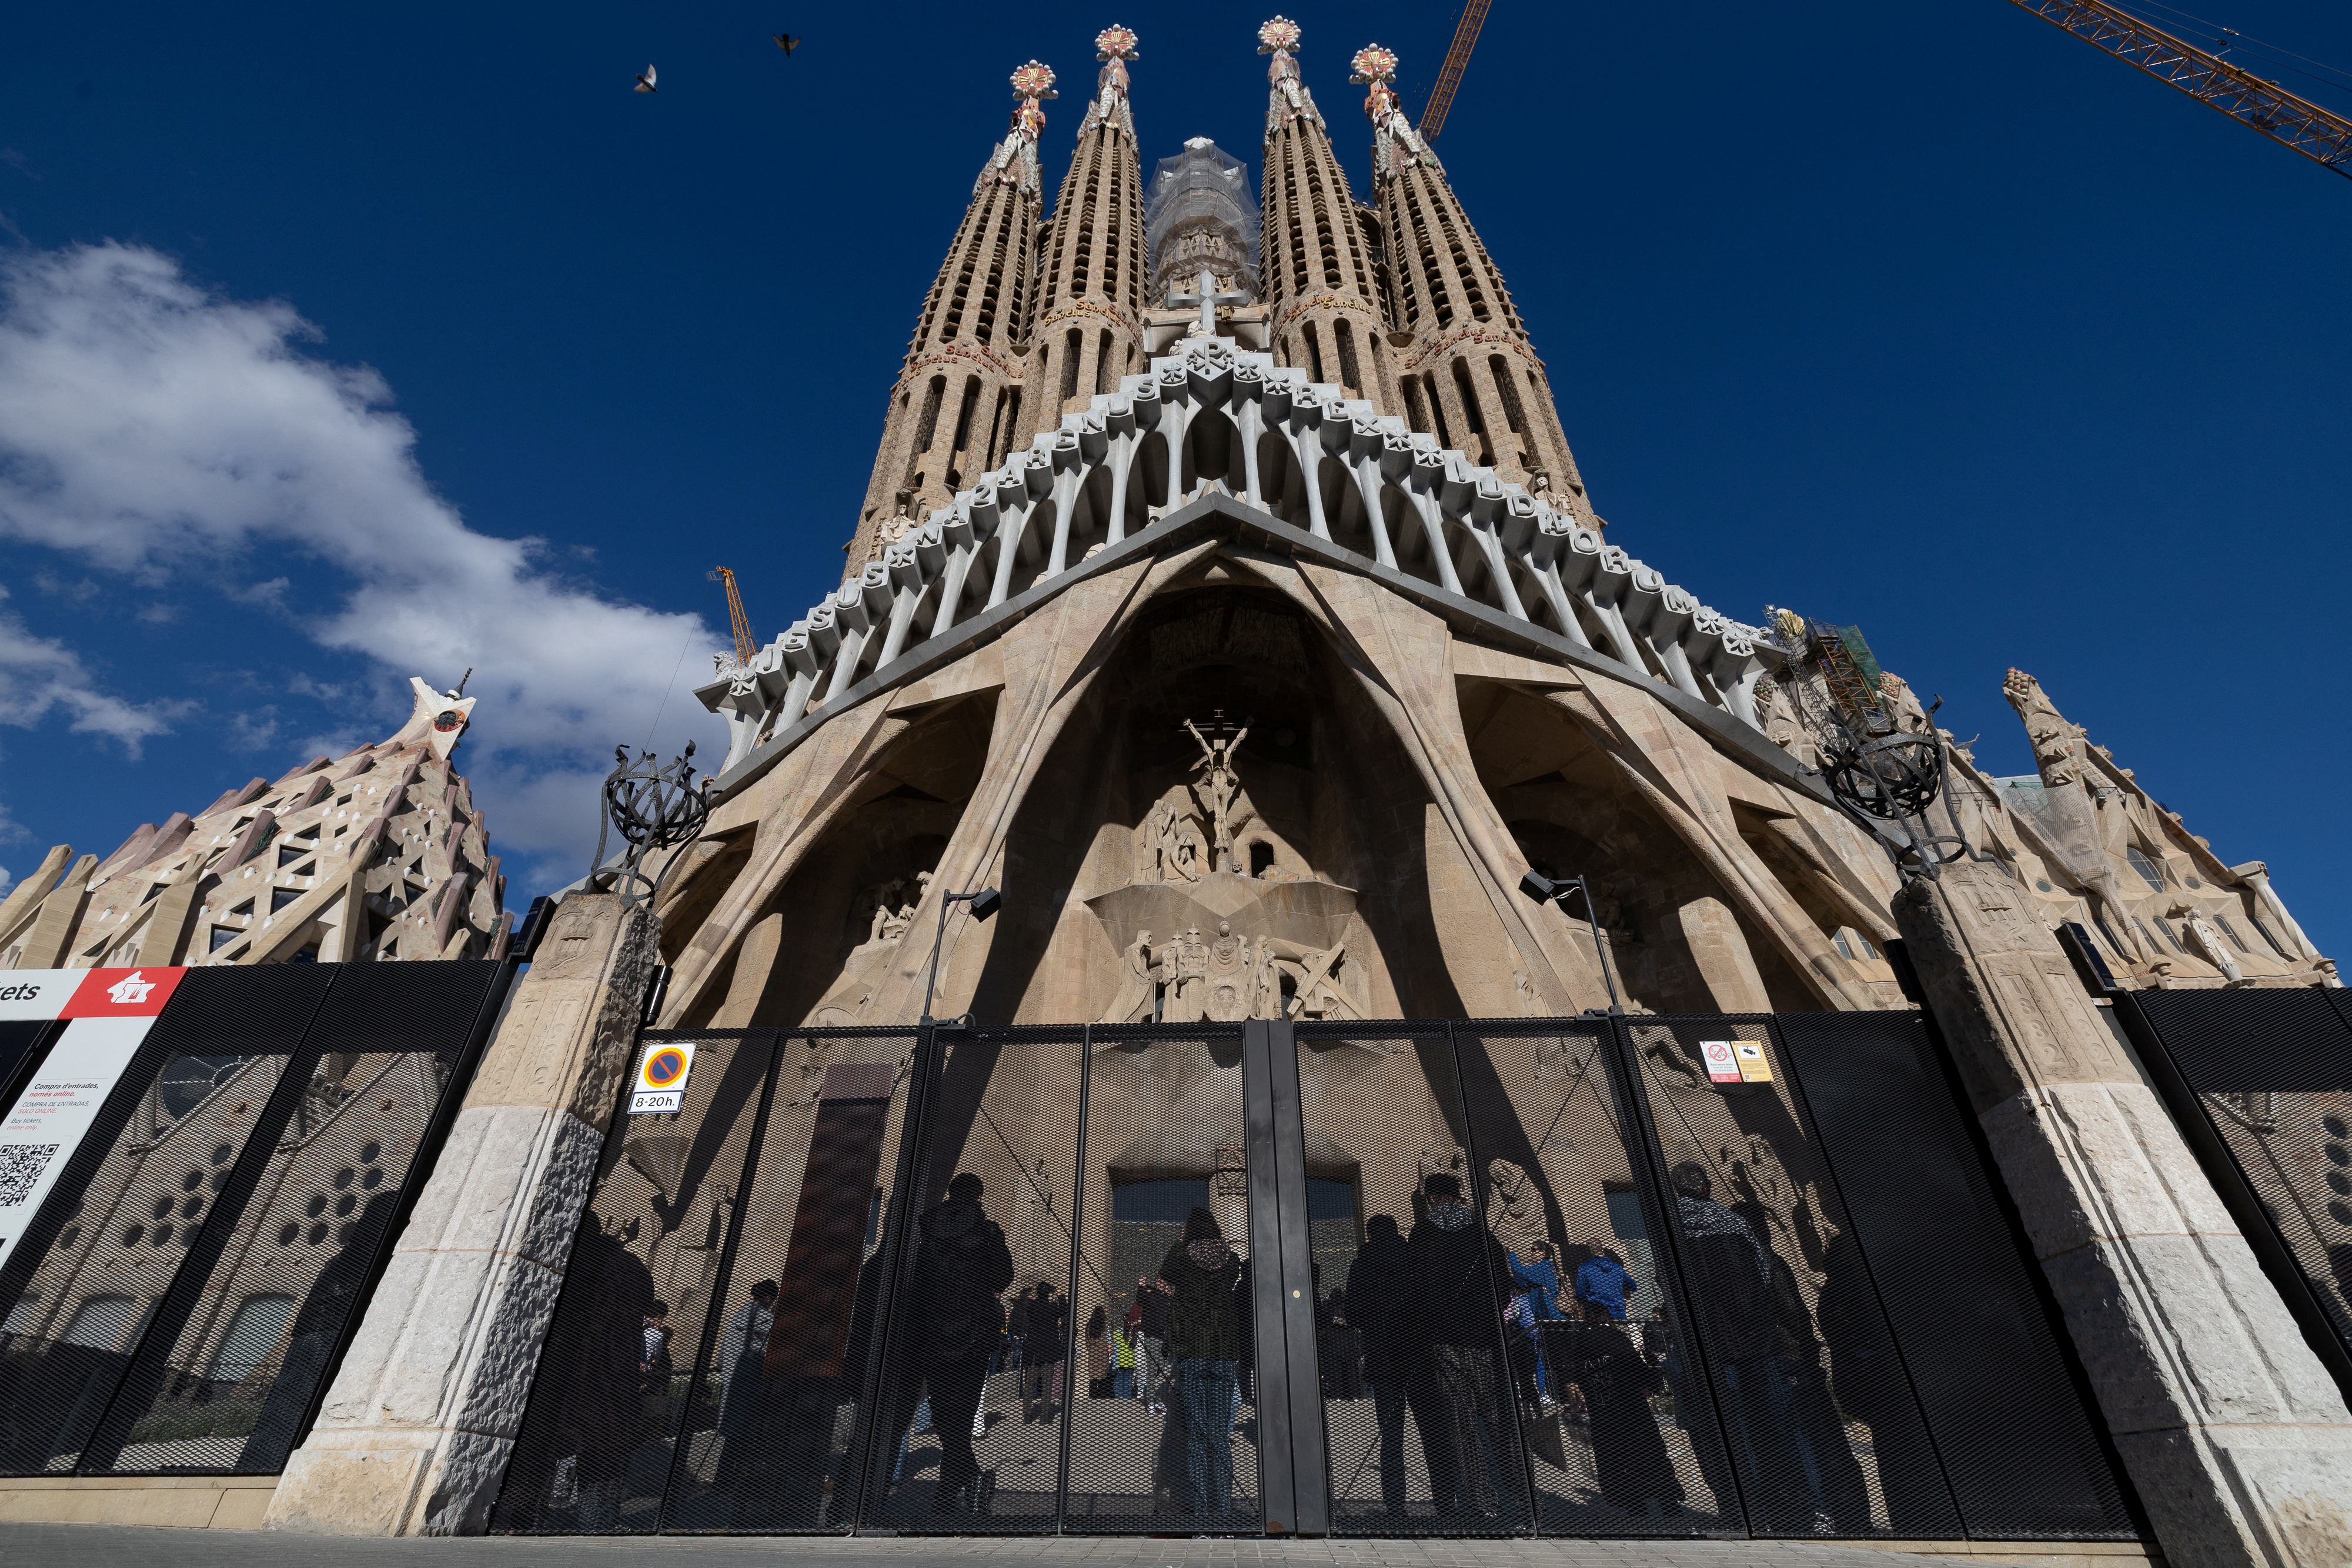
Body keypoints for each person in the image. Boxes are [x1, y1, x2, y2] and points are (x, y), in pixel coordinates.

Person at [1669, 1161, 1816, 1533]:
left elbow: (1668, 1287)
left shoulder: (1672, 1232)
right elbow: (1763, 1273)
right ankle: (1802, 1510)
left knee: (1731, 1429)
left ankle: (1748, 1514)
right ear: (1704, 1188)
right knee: (1779, 1424)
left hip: (1713, 1349)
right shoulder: (1735, 1224)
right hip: (1759, 1340)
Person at [903, 1172, 1014, 1512]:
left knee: (944, 1410)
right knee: (963, 1415)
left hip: (933, 1330)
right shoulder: (988, 1233)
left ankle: (960, 1484)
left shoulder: (927, 1234)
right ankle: (953, 1491)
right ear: (979, 1197)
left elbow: (917, 1283)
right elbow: (1003, 1277)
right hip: (973, 1331)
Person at [1411, 1172, 1518, 1520]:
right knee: (1500, 1422)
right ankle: (1524, 1500)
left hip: (1444, 1341)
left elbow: (1414, 1287)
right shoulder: (1483, 1235)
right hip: (1484, 1341)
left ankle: (1483, 1504)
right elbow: (1504, 1285)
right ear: (1459, 1197)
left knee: (1463, 1427)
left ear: (1430, 1200)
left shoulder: (1422, 1235)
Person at [1348, 1212, 1443, 1516]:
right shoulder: (1413, 1259)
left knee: (1391, 1434)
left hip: (1383, 1356)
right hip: (1418, 1356)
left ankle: (1395, 1505)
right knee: (1433, 1431)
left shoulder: (1362, 1264)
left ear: (1370, 1234)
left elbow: (1351, 1312)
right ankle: (1445, 1502)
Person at [1158, 1206, 1244, 1518]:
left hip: (1192, 1349)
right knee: (1220, 1435)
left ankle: (1201, 1514)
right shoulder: (1230, 1259)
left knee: (1197, 1434)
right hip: (1223, 1351)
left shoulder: (1181, 1255)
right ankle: (1222, 1510)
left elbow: (1163, 1279)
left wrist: (1182, 1243)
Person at [1569, 1296, 1683, 1516]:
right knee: (1649, 1452)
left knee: (1617, 1455)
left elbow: (1578, 1374)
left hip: (1604, 1409)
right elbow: (1635, 1366)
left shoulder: (1583, 1338)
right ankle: (1668, 1502)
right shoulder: (1616, 1337)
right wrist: (1650, 1383)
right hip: (1632, 1407)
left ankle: (1635, 1505)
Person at [715, 1279, 778, 1443]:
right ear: (768, 1298)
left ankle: (725, 1462)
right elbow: (772, 1346)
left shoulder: (740, 1314)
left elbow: (724, 1347)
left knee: (729, 1422)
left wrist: (721, 1363)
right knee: (743, 1424)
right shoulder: (767, 1318)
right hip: (750, 1374)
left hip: (731, 1373)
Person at [1021, 1282, 1067, 1423]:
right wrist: (1060, 1295)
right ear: (1049, 1293)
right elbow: (1065, 1310)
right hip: (1048, 1349)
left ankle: (1027, 1415)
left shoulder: (1032, 1307)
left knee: (1030, 1384)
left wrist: (1028, 1296)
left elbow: (1024, 1304)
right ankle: (1045, 1416)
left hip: (1033, 1350)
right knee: (1047, 1385)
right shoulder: (1052, 1308)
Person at [1134, 1272, 1171, 1412]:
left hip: (1165, 1339)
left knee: (1161, 1370)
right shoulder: (1152, 1295)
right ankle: (1151, 1402)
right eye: (1159, 1281)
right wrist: (1141, 1286)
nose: (1162, 1284)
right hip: (1153, 1337)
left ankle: (1157, 1399)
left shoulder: (1168, 1299)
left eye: (1164, 1282)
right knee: (1155, 1369)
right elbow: (1141, 1299)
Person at [1575, 1245, 1637, 1322]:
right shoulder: (1617, 1267)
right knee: (1621, 1330)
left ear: (1589, 1252)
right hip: (1617, 1308)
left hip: (1596, 1310)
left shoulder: (1584, 1267)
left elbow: (1580, 1291)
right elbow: (1633, 1287)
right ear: (1603, 1250)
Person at [640, 1300, 674, 1398]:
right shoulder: (657, 1335)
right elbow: (655, 1360)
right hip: (646, 1377)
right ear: (659, 1317)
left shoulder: (636, 1326)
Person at [1085, 1303, 1111, 1399]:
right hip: (1102, 1352)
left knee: (1093, 1376)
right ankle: (1102, 1397)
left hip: (1092, 1352)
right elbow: (1109, 1339)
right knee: (1102, 1377)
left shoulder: (1089, 1325)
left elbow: (1087, 1339)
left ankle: (1092, 1396)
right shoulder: (1106, 1324)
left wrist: (1090, 1348)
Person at [1112, 1312, 1137, 1399]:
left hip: (1119, 1362)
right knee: (1128, 1382)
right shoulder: (1134, 1333)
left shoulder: (1117, 1333)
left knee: (1118, 1381)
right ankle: (1127, 1399)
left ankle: (1119, 1398)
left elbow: (1114, 1347)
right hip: (1131, 1362)